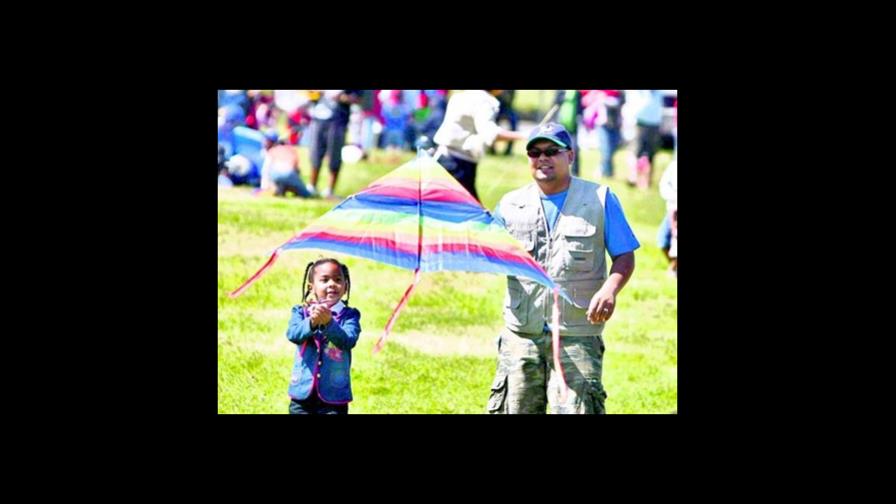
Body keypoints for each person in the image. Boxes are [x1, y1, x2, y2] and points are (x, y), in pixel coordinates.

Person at [488, 122, 639, 414]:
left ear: (570, 156)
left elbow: (624, 256)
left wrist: (610, 290)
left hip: (577, 333)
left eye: (551, 151)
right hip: (522, 333)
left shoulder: (599, 199)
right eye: (534, 152)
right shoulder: (510, 205)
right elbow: (489, 252)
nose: (542, 158)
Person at [286, 258, 362, 414]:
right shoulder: (300, 312)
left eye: (338, 280)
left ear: (345, 286)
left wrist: (329, 323)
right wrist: (312, 322)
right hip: (302, 393)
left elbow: (347, 341)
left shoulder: (349, 315)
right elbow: (293, 334)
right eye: (325, 280)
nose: (332, 284)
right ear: (311, 287)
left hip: (334, 396)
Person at [432, 90, 527, 203]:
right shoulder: (485, 101)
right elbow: (490, 133)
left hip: (443, 159)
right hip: (458, 165)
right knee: (471, 213)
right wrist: (523, 135)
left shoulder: (461, 95)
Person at [306, 90, 362, 199]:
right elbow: (310, 94)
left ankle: (330, 190)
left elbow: (358, 98)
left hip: (338, 120)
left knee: (334, 155)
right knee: (315, 154)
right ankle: (312, 187)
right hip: (318, 119)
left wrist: (341, 97)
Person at [260, 130, 312, 198]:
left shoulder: (272, 151)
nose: (264, 142)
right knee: (306, 195)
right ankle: (285, 188)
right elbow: (296, 169)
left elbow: (266, 170)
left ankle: (281, 189)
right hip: (289, 172)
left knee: (281, 181)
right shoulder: (291, 149)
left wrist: (264, 188)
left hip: (275, 173)